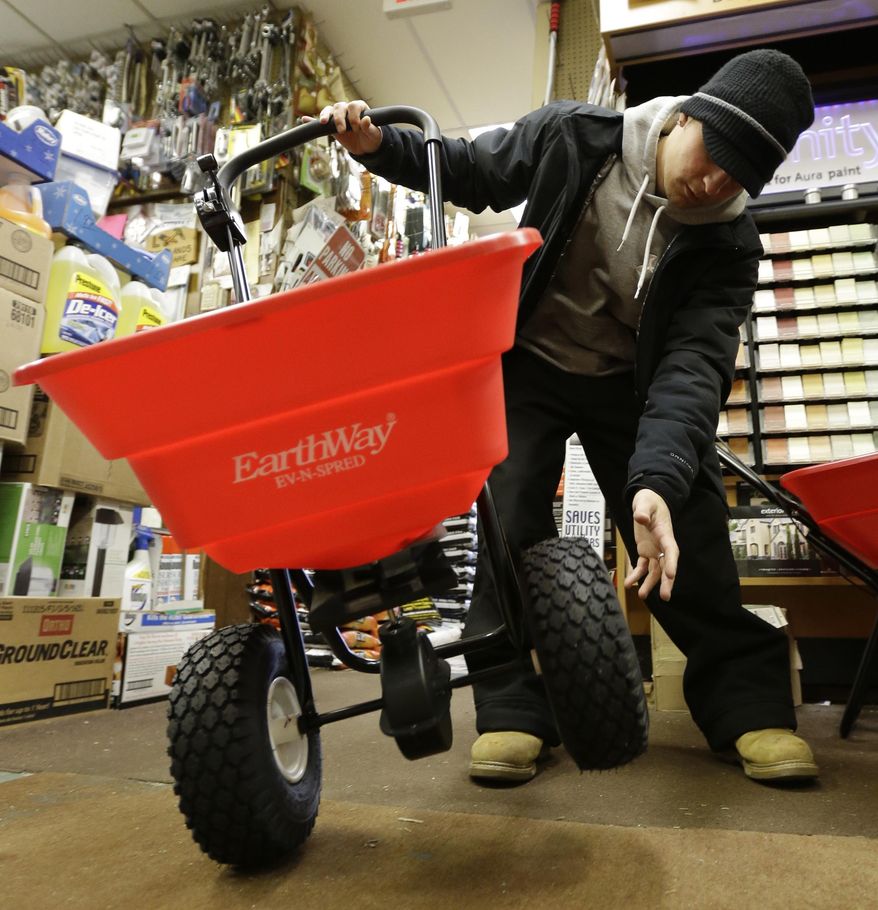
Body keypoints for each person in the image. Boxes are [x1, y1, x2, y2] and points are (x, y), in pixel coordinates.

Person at [314, 48, 819, 784]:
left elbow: (692, 370)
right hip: (530, 362)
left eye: (739, 175)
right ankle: (515, 711)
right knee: (509, 516)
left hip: (630, 385)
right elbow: (468, 168)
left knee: (690, 528)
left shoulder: (730, 245)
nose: (714, 181)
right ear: (685, 116)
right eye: (715, 152)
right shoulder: (575, 138)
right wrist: (376, 146)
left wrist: (656, 485)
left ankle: (749, 706)